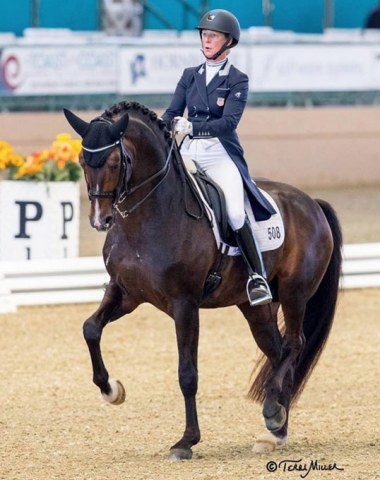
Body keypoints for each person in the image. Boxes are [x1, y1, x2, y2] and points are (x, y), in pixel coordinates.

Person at [162, 9, 275, 307]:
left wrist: (193, 127)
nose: (207, 39)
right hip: (188, 153)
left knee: (236, 213)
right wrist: (163, 125)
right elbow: (172, 112)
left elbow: (228, 123)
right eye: (204, 34)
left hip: (220, 154)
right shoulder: (190, 76)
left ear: (229, 42)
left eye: (213, 35)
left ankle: (256, 276)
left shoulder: (238, 80)